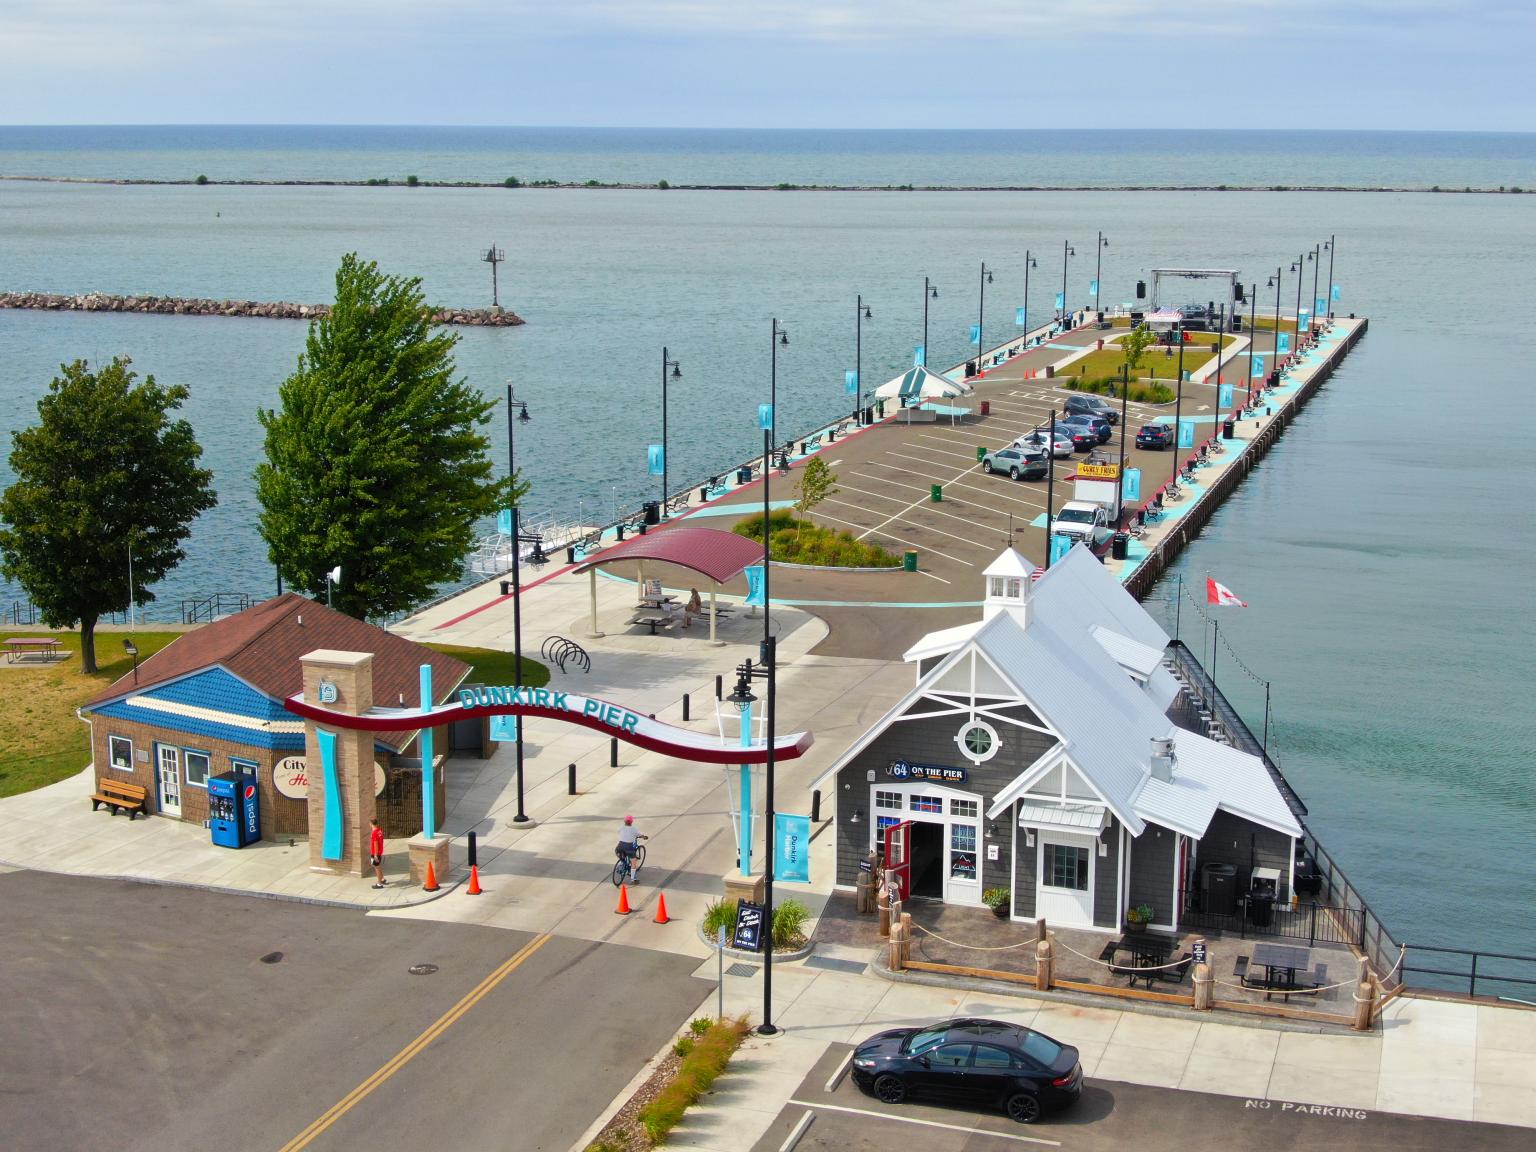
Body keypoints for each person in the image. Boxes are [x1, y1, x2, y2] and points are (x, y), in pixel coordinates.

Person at [615, 814, 648, 882]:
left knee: (619, 854)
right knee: (634, 861)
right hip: (628, 847)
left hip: (620, 846)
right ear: (631, 822)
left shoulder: (621, 827)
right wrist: (644, 837)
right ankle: (633, 878)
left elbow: (618, 831)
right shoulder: (634, 829)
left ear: (625, 821)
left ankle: (622, 862)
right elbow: (640, 835)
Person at [369, 818, 386, 888]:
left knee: (376, 867)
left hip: (375, 853)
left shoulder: (374, 833)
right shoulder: (380, 831)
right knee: (378, 866)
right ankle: (382, 879)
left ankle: (379, 883)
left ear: (371, 824)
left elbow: (376, 844)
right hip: (379, 852)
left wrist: (375, 855)